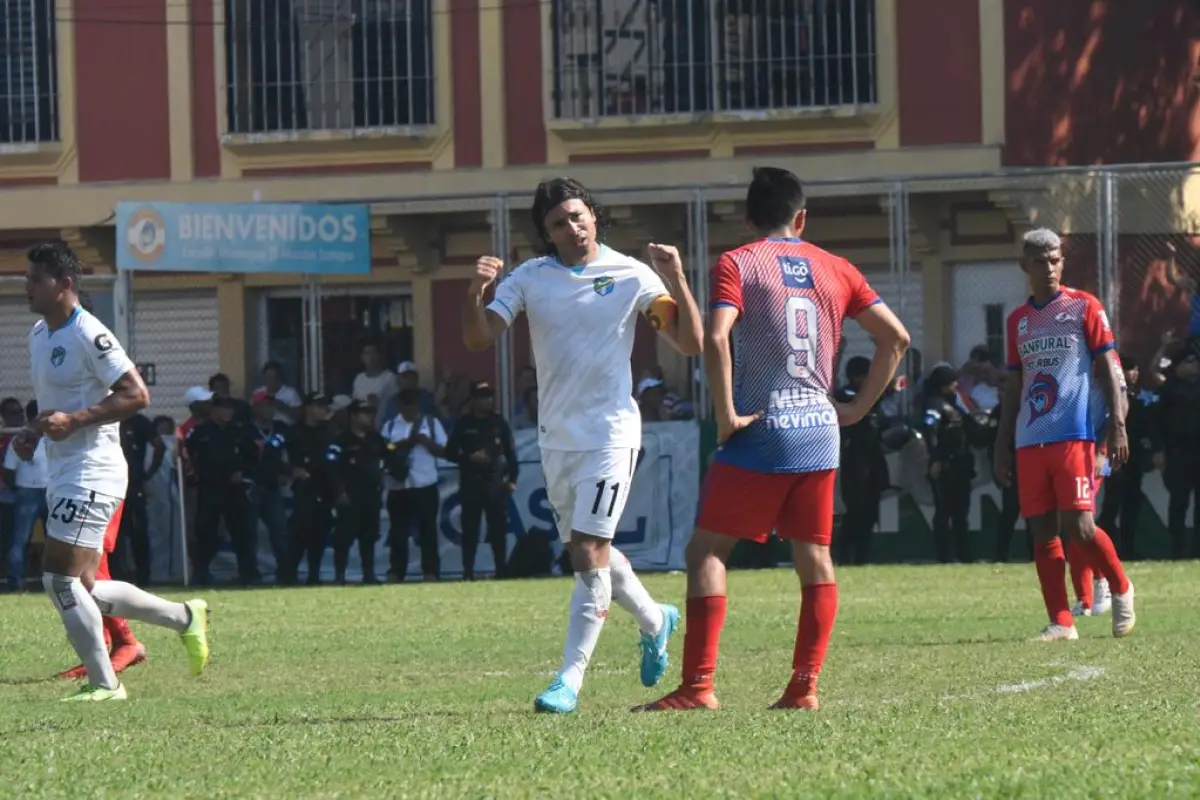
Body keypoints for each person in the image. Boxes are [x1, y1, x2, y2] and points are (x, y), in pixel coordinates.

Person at [636, 166, 909, 712]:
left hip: (764, 426)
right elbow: (896, 338)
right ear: (800, 217)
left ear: (747, 218)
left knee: (708, 550)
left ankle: (698, 687)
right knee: (814, 556)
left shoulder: (739, 262)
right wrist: (854, 408)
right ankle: (804, 687)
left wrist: (726, 415)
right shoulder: (838, 267)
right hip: (819, 430)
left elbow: (715, 338)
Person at [463, 176, 704, 713]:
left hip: (612, 433)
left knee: (589, 552)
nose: (571, 227)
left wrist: (678, 278)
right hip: (557, 438)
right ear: (546, 235)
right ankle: (653, 618)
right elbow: (479, 337)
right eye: (557, 223)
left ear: (594, 216)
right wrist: (473, 293)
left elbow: (688, 343)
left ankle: (568, 680)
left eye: (577, 216)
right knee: (585, 549)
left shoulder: (631, 274)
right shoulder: (530, 278)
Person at [23, 242, 209, 700]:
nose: (26, 287)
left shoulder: (90, 333)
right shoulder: (37, 334)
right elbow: (57, 406)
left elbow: (136, 394)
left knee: (59, 579)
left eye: (36, 280)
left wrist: (75, 421)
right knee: (87, 584)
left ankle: (106, 684)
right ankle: (184, 617)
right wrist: (34, 431)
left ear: (64, 284)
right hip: (63, 468)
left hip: (92, 470)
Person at [993, 228, 1135, 642]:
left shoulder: (1083, 306)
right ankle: (1062, 622)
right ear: (1025, 266)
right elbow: (1015, 385)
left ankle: (1121, 586)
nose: (1050, 267)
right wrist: (1002, 441)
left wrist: (1118, 423)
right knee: (1041, 530)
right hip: (1029, 438)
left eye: (1055, 259)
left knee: (1082, 527)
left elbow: (1111, 366)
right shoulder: (1017, 320)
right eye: (1040, 260)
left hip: (1074, 433)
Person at [444, 381, 518, 580]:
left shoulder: (498, 422)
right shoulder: (464, 423)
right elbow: (450, 452)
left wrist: (512, 479)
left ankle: (501, 570)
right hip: (471, 483)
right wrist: (469, 457)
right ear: (474, 400)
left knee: (498, 531)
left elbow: (511, 453)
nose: (486, 401)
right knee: (470, 530)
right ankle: (468, 571)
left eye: (488, 396)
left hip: (495, 483)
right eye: (481, 397)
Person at [833, 356, 888, 566]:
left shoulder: (871, 396)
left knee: (870, 511)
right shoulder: (847, 396)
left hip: (873, 458)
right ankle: (846, 555)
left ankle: (863, 556)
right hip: (854, 459)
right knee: (855, 511)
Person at [920, 365, 975, 563]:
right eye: (952, 382)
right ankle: (945, 555)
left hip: (960, 465)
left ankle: (964, 554)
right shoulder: (935, 404)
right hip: (945, 466)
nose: (956, 385)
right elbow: (930, 431)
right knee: (944, 511)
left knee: (961, 513)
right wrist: (935, 459)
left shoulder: (954, 404)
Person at [330, 399, 386, 584]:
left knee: (369, 536)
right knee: (344, 537)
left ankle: (369, 574)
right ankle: (340, 575)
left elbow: (389, 454)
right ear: (353, 415)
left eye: (370, 413)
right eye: (364, 412)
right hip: (350, 494)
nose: (369, 416)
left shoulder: (375, 438)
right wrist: (339, 491)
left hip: (371, 493)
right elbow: (331, 465)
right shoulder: (341, 439)